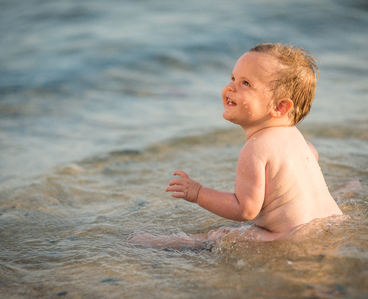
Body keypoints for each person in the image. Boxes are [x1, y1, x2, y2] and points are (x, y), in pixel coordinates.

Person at [129, 43, 343, 249]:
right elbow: (311, 155)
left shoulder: (256, 148)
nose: (230, 87)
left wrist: (198, 193)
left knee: (220, 235)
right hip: (332, 223)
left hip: (290, 237)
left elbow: (245, 209)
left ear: (279, 107)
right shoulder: (297, 139)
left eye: (246, 83)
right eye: (232, 78)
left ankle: (158, 243)